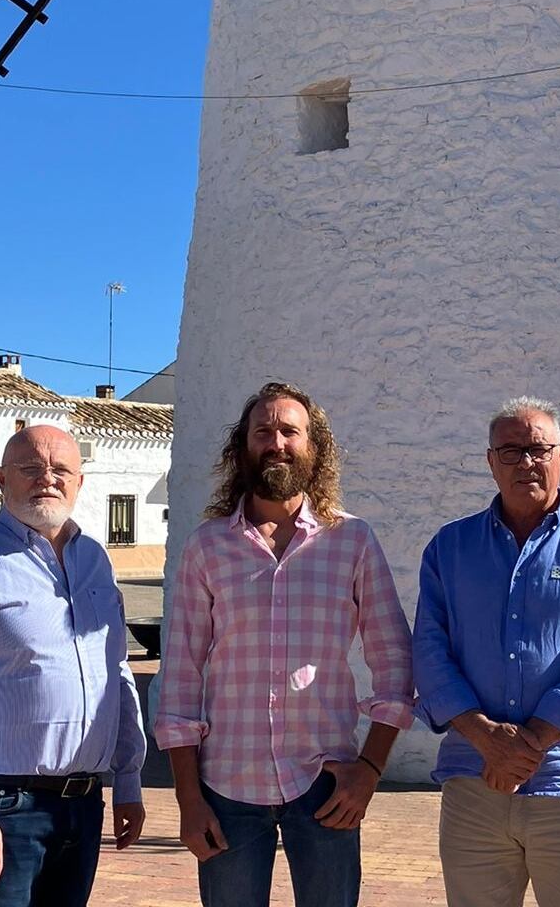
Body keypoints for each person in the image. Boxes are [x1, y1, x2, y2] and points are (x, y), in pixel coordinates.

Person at [155, 382, 415, 907]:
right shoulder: (207, 546)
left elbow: (395, 664)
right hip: (226, 789)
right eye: (262, 431)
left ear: (314, 447)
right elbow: (181, 673)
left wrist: (369, 771)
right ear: (242, 448)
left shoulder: (353, 541)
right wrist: (187, 796)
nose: (276, 442)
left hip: (327, 788)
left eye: (289, 431)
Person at [413, 397, 560, 907]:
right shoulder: (449, 548)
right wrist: (487, 739)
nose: (525, 463)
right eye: (510, 452)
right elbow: (428, 652)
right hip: (475, 784)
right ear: (490, 461)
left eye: (537, 449)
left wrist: (527, 743)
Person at [0, 425, 146, 907]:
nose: (48, 479)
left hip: (82, 807)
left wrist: (128, 780)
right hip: (2, 809)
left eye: (61, 469)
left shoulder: (95, 561)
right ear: (2, 478)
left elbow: (116, 675)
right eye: (30, 468)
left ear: (80, 481)